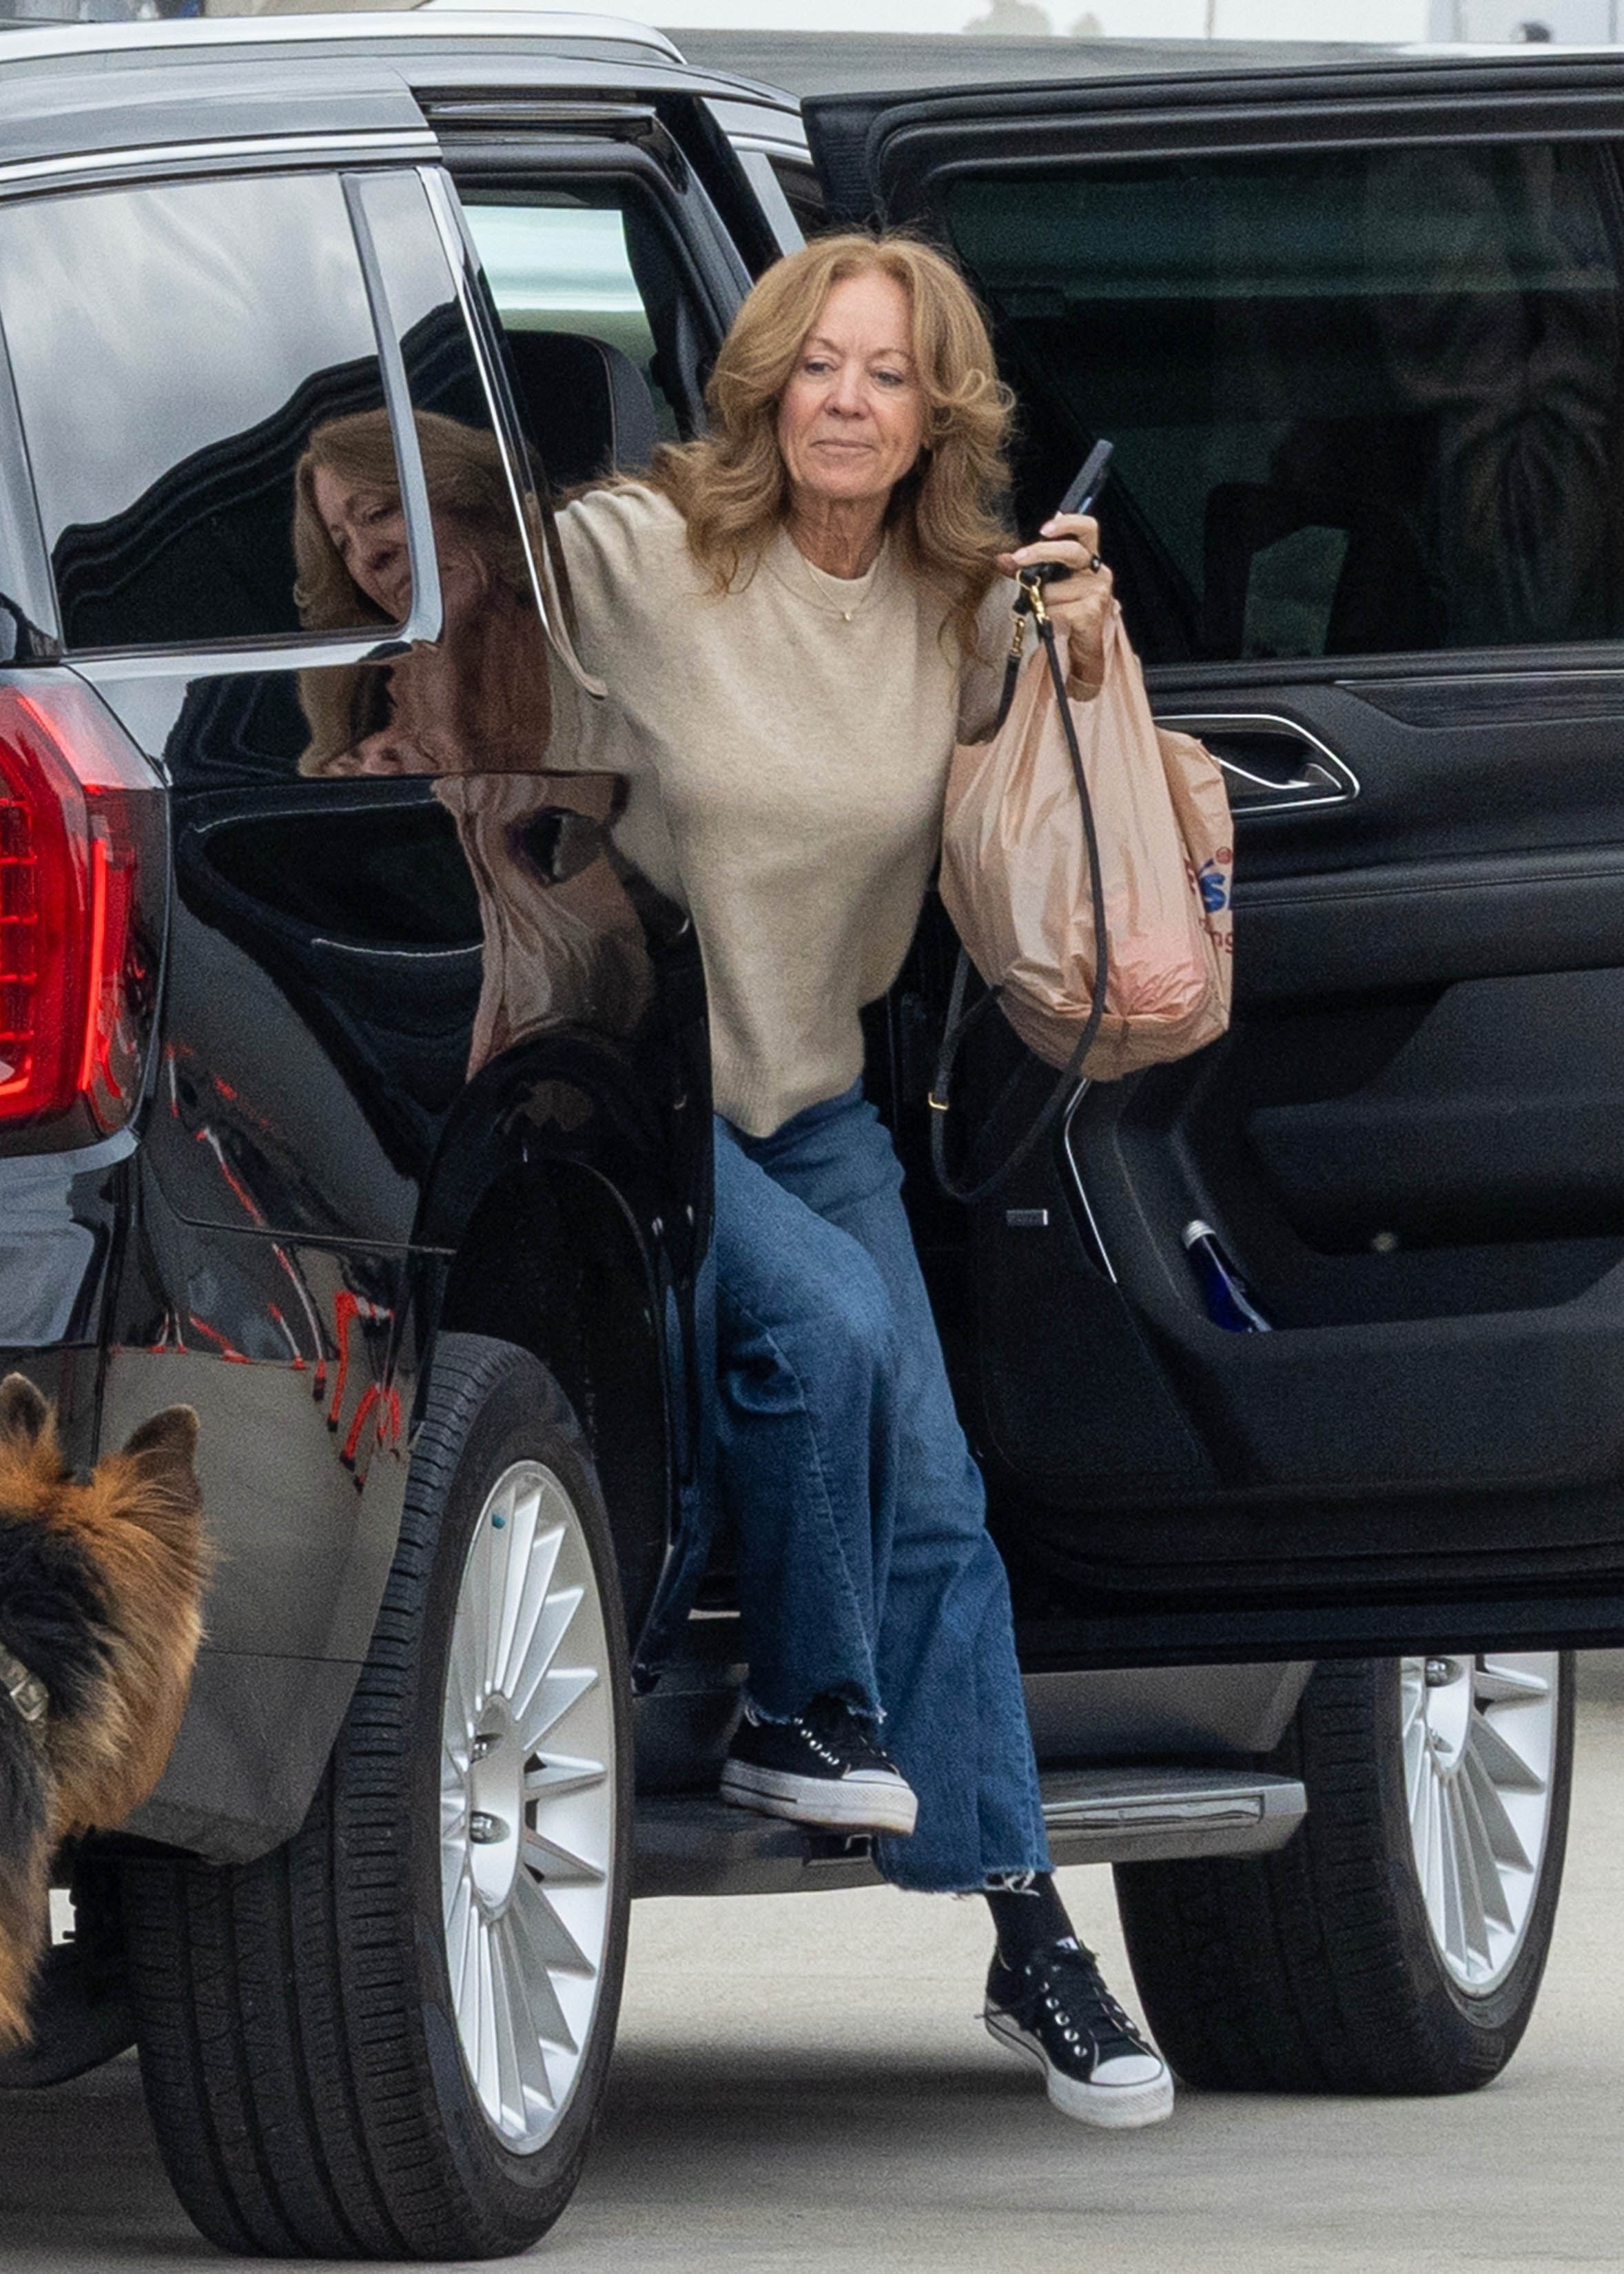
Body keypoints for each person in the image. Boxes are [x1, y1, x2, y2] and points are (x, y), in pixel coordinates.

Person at [549, 232, 1174, 2131]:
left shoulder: (953, 605)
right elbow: (443, 579)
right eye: (815, 364)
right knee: (821, 1328)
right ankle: (792, 1711)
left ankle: (1025, 1933)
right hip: (641, 1095)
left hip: (813, 1095)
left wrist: (1081, 643)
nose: (844, 400)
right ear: (759, 380)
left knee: (938, 1491)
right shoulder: (633, 557)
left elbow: (1042, 807)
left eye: (886, 375)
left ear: (936, 415)